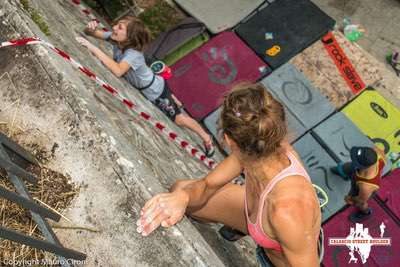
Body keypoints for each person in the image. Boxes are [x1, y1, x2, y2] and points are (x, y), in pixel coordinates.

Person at [137, 83, 322, 266]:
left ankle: (261, 231)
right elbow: (207, 186)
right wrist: (182, 197)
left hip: (284, 249)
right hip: (263, 215)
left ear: (228, 140)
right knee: (179, 190)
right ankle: (249, 228)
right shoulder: (258, 145)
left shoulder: (287, 213)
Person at [76, 16, 214, 157]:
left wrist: (92, 48)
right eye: (117, 24)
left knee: (179, 119)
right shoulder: (116, 38)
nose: (115, 27)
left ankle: (206, 137)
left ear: (130, 37)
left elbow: (118, 71)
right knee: (172, 102)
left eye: (120, 27)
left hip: (156, 91)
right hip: (151, 82)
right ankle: (175, 99)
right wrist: (90, 27)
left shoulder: (133, 54)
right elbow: (90, 33)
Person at [331, 146, 387, 223]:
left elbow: (361, 200)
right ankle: (342, 170)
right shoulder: (375, 151)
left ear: (362, 166)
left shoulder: (366, 187)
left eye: (354, 158)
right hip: (357, 170)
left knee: (360, 204)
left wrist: (351, 199)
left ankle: (365, 213)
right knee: (346, 167)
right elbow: (382, 148)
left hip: (360, 183)